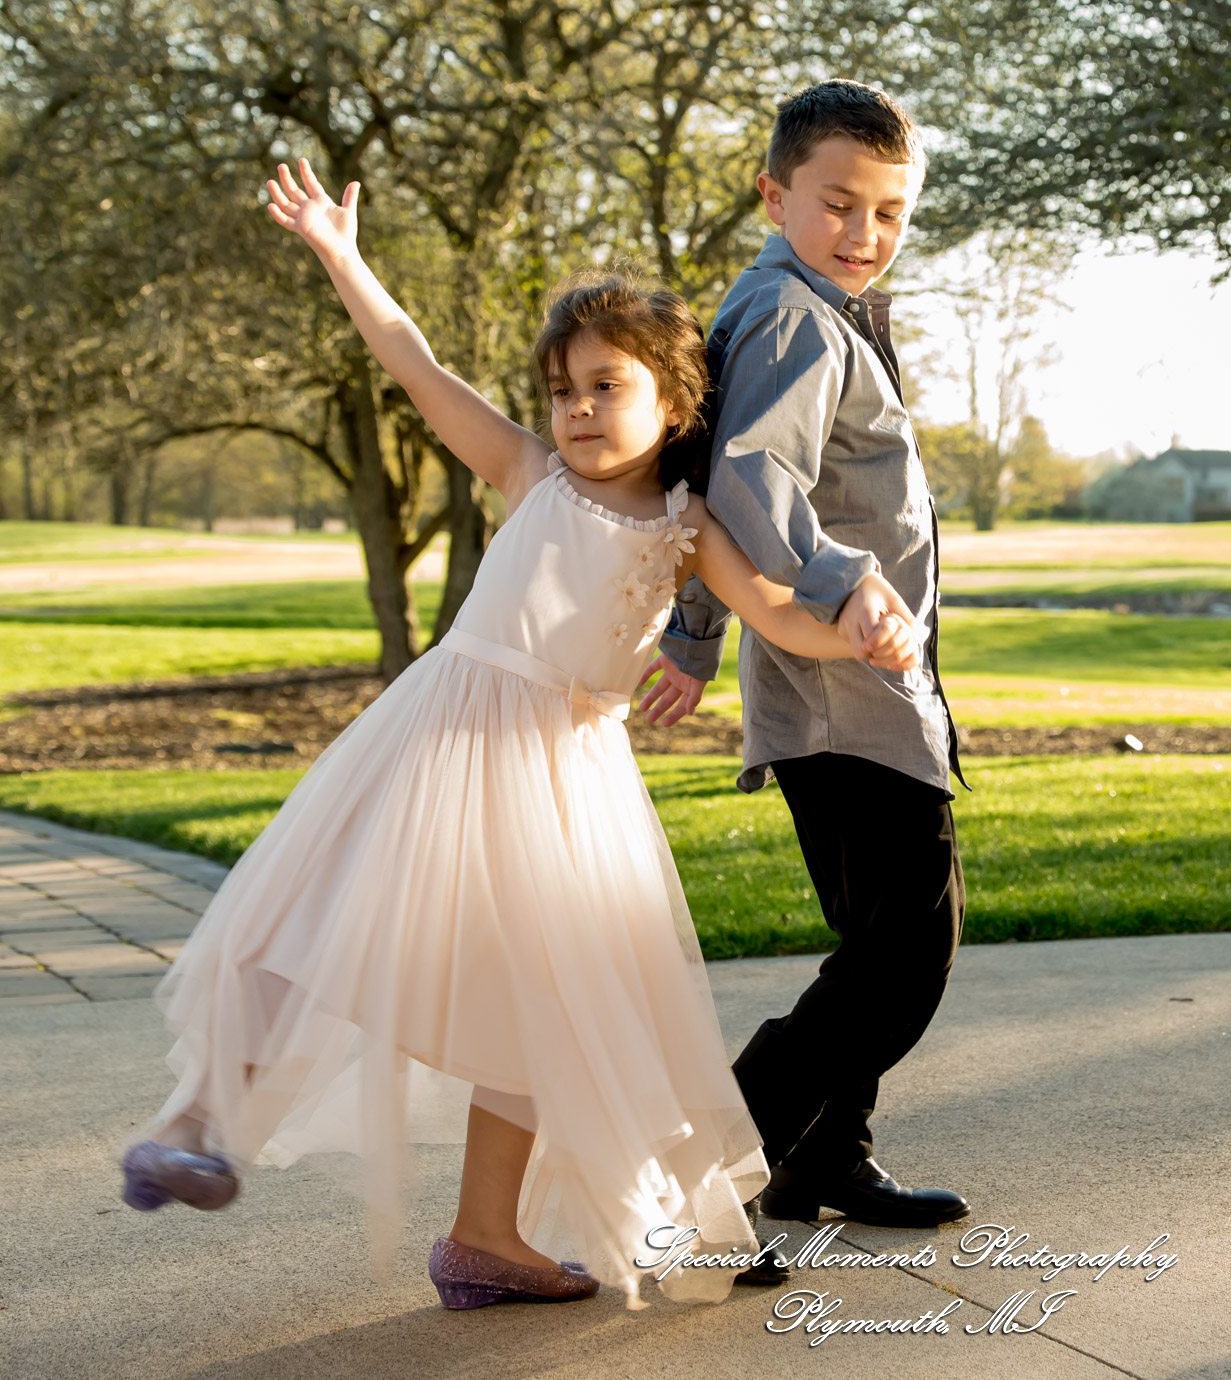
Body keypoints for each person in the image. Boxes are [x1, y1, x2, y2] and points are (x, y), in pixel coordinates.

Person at [118, 157, 922, 1313]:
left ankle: (483, 1239)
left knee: (544, 1011)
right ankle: (196, 1125)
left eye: (606, 387)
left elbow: (777, 615)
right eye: (562, 391)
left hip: (565, 783)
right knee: (293, 921)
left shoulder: (692, 530)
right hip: (439, 743)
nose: (577, 411)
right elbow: (416, 363)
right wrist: (341, 255)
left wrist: (865, 634)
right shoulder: (528, 472)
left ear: (675, 403)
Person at [640, 80, 972, 1241]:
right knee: (908, 951)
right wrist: (847, 579)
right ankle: (716, 1146)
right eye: (838, 204)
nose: (865, 235)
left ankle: (827, 1157)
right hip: (844, 693)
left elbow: (707, 484)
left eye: (888, 212)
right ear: (774, 194)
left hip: (848, 692)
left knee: (871, 942)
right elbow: (751, 483)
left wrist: (691, 635)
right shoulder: (791, 314)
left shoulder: (804, 305)